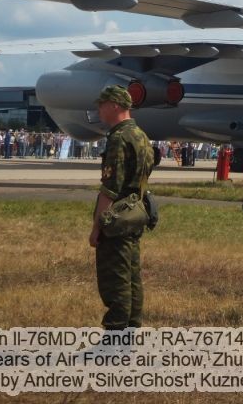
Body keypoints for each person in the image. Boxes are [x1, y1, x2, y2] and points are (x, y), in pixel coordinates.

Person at [89, 85, 155, 329]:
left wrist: (97, 227)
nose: (99, 109)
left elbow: (110, 189)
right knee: (132, 277)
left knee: (115, 279)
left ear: (114, 105)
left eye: (102, 104)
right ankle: (131, 329)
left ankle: (115, 336)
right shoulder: (140, 135)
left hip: (117, 218)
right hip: (136, 213)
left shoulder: (119, 138)